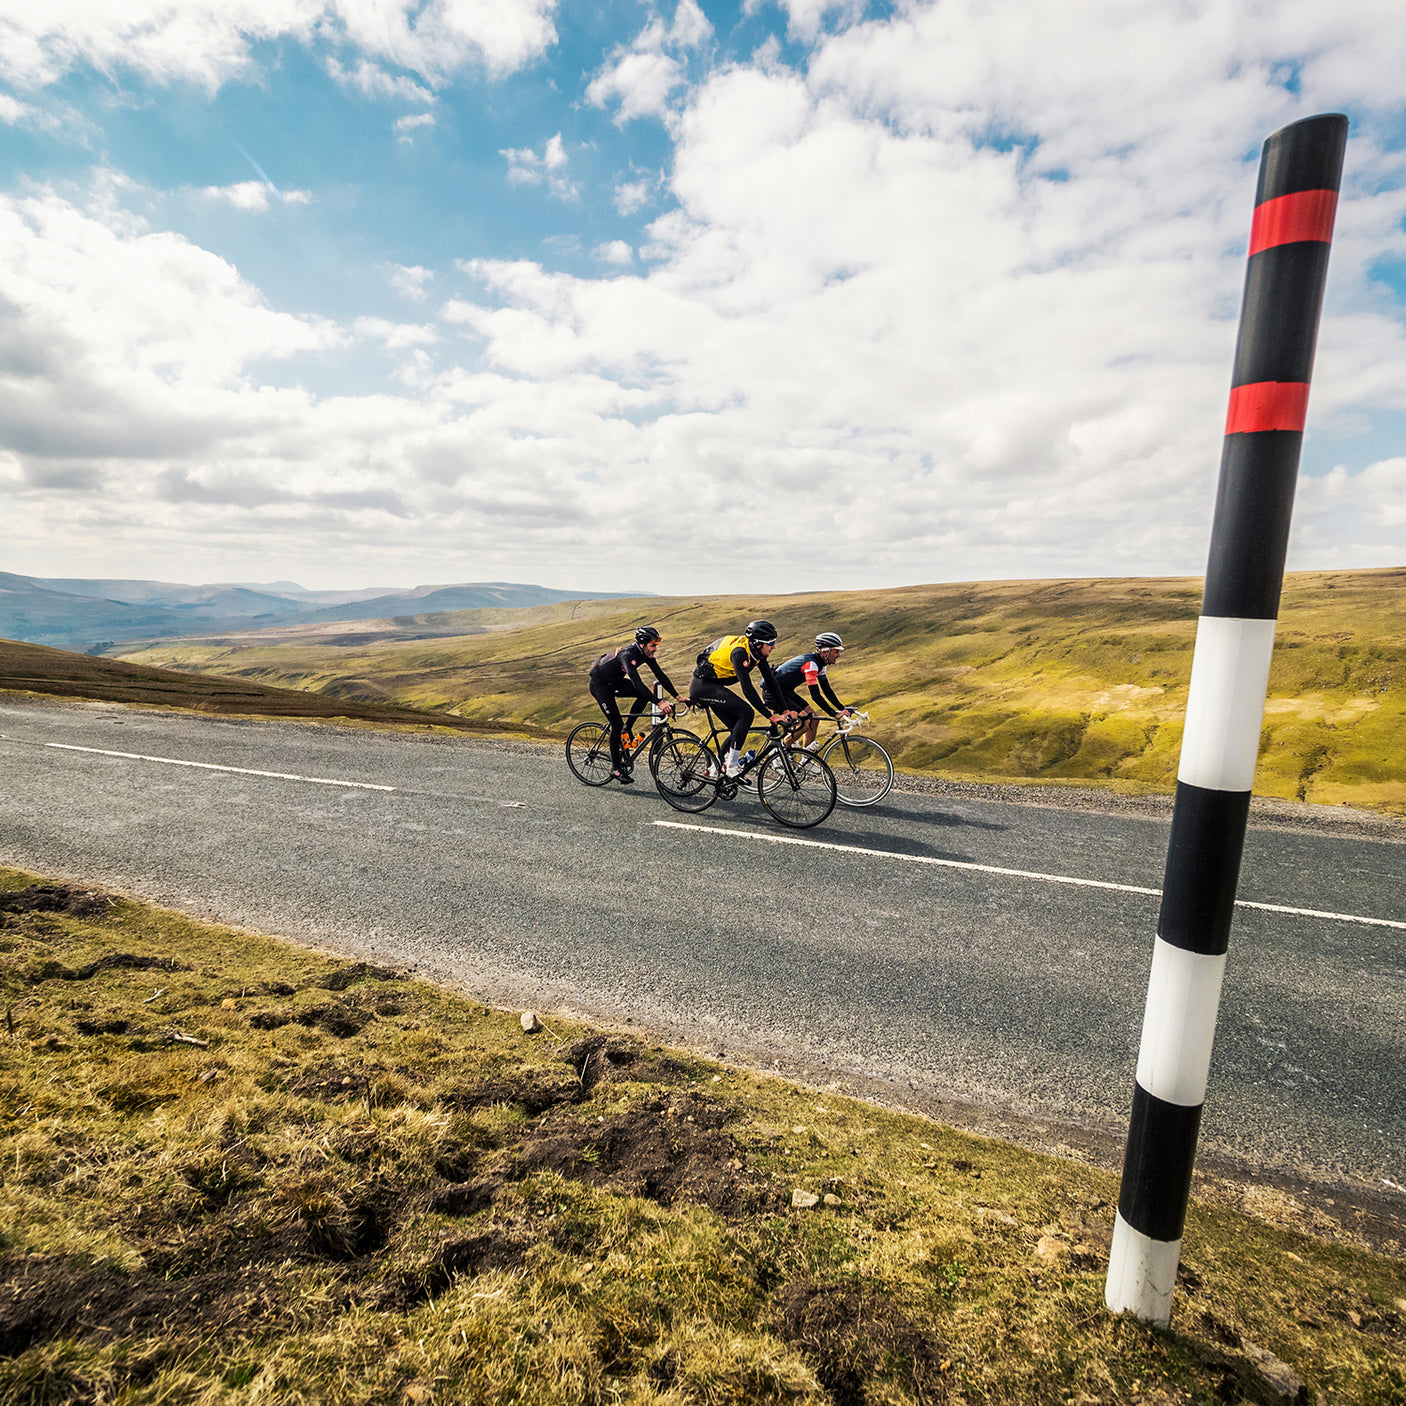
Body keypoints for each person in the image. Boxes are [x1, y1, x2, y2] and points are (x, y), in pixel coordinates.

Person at [690, 619, 791, 778]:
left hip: (713, 685)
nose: (774, 646)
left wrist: (785, 709)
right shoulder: (740, 653)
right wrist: (769, 716)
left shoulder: (757, 653)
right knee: (747, 713)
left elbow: (771, 681)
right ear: (758, 644)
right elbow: (747, 688)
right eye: (770, 643)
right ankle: (731, 766)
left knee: (737, 729)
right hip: (703, 686)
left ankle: (713, 770)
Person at [588, 626, 686, 784]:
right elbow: (637, 683)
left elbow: (660, 675)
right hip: (600, 685)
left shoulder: (645, 653)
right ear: (642, 644)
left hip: (615, 681)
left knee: (643, 697)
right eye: (652, 645)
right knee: (616, 723)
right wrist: (659, 703)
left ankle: (628, 728)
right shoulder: (627, 655)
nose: (655, 649)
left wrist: (677, 696)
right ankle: (615, 768)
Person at [766, 631, 855, 748]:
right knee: (805, 722)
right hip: (773, 694)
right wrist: (833, 713)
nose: (838, 655)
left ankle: (806, 760)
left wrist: (842, 709)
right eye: (836, 651)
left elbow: (827, 691)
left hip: (785, 692)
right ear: (825, 652)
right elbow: (816, 696)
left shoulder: (821, 665)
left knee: (813, 719)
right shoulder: (811, 664)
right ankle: (777, 753)